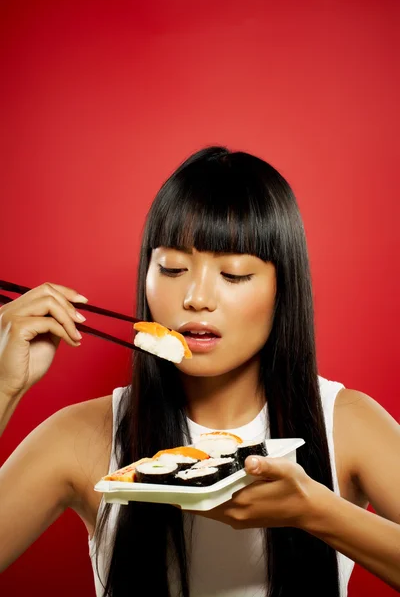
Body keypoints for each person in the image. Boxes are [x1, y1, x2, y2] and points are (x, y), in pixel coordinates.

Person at [0, 147, 399, 597]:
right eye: (172, 268)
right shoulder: (82, 435)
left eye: (233, 274)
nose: (196, 297)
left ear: (282, 290)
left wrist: (318, 513)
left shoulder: (346, 424)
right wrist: (2, 387)